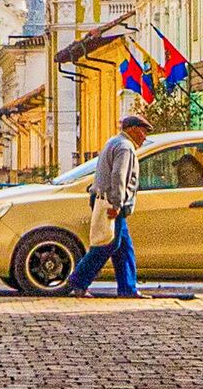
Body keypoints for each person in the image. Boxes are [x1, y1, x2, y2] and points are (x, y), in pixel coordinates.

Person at [60, 113, 149, 297]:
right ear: (132, 130)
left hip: (104, 199)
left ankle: (128, 288)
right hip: (111, 202)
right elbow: (118, 176)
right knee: (106, 244)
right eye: (143, 131)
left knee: (123, 248)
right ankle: (78, 280)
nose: (144, 137)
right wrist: (117, 204)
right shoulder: (125, 147)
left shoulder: (113, 142)